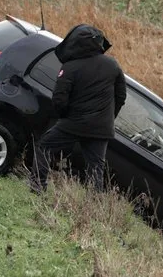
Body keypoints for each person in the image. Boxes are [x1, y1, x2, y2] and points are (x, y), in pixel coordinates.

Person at [33, 24, 126, 192]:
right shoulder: (112, 65)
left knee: (44, 147)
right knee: (96, 167)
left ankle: (38, 186)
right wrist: (108, 118)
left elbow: (59, 99)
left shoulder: (70, 67)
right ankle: (93, 207)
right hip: (101, 127)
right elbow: (121, 97)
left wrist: (65, 117)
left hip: (74, 123)